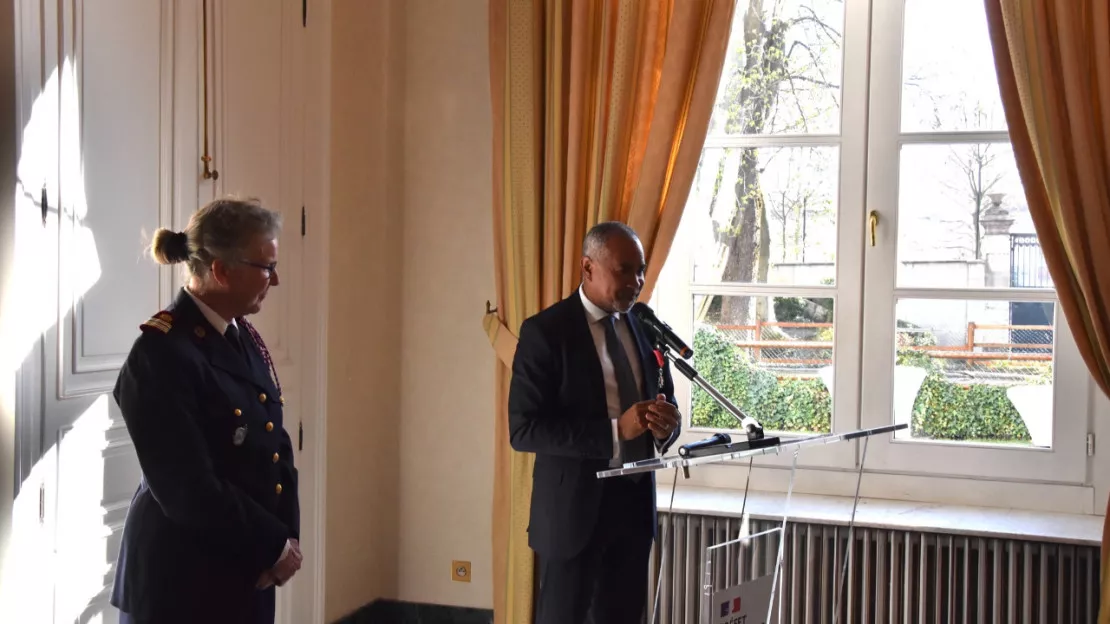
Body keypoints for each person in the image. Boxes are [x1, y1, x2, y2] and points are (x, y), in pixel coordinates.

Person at [111, 197, 301, 624]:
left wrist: (282, 544)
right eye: (266, 267)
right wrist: (271, 544)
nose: (276, 279)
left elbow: (275, 444)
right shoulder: (160, 352)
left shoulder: (242, 334)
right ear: (221, 270)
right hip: (182, 581)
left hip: (246, 567)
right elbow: (188, 487)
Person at [508, 221, 682, 624]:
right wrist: (616, 431)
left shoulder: (644, 326)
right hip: (572, 517)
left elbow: (663, 399)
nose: (636, 281)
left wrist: (665, 423)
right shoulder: (545, 333)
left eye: (640, 270)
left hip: (633, 511)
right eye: (624, 270)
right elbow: (524, 429)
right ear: (588, 268)